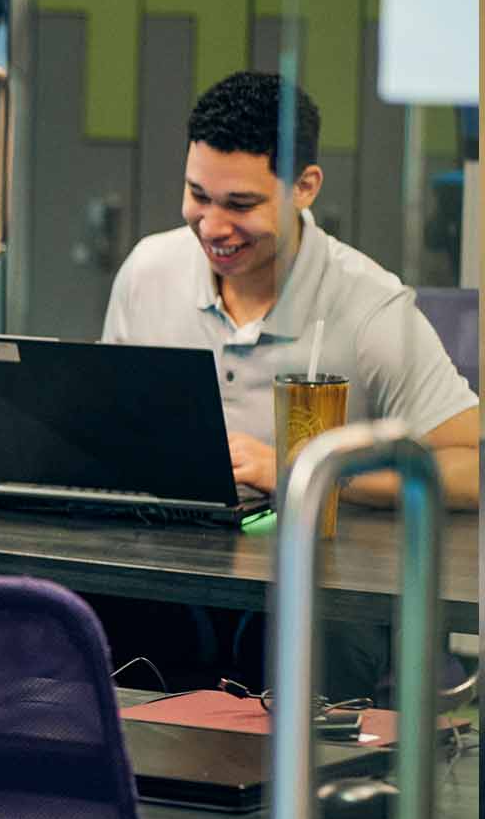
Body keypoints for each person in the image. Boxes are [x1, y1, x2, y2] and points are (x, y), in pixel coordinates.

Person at [98, 70, 478, 700]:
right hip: (173, 573)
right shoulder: (149, 271)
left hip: (320, 591)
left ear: (305, 188)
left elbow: (470, 469)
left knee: (300, 641)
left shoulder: (371, 308)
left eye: (240, 205)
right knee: (65, 616)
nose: (212, 226)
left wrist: (307, 472)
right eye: (198, 196)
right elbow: (108, 428)